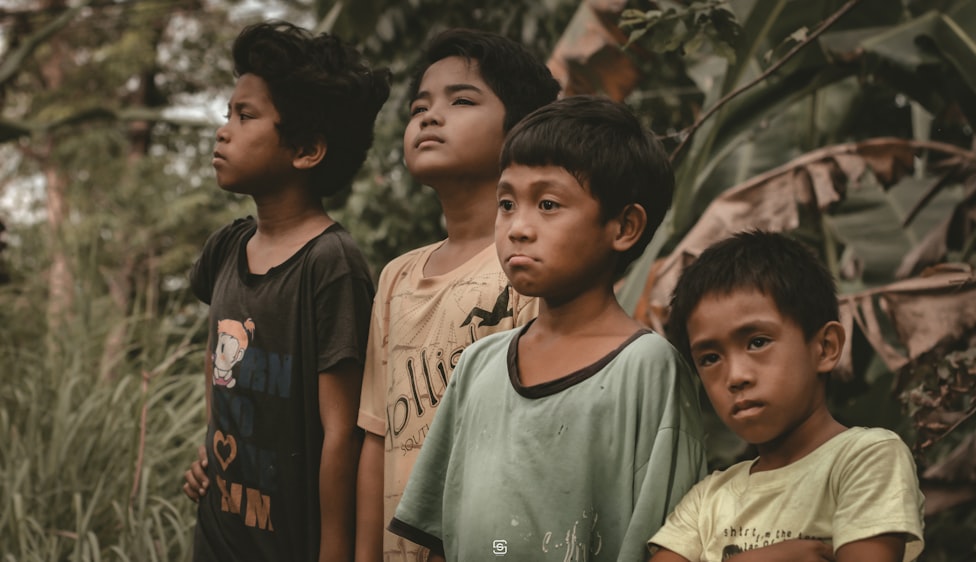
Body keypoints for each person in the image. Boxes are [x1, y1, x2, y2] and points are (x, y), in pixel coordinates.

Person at [388, 95, 707, 561]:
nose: (518, 227)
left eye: (549, 204)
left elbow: (669, 544)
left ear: (624, 227)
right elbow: (440, 535)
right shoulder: (480, 363)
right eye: (506, 203)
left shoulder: (646, 368)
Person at [179, 21, 390, 562]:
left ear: (307, 149)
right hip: (219, 533)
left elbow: (340, 433)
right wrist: (212, 448)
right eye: (228, 114)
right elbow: (218, 362)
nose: (223, 130)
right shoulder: (227, 248)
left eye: (245, 116)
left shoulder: (331, 265)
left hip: (290, 544)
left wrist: (334, 551)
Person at [353, 28, 561, 562]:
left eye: (461, 100)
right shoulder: (396, 278)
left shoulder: (528, 269)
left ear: (519, 129)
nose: (429, 115)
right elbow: (376, 440)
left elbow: (537, 439)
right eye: (420, 105)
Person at [647, 230, 925, 562]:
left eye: (757, 342)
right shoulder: (708, 498)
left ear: (825, 347)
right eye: (710, 358)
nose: (735, 376)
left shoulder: (864, 458)